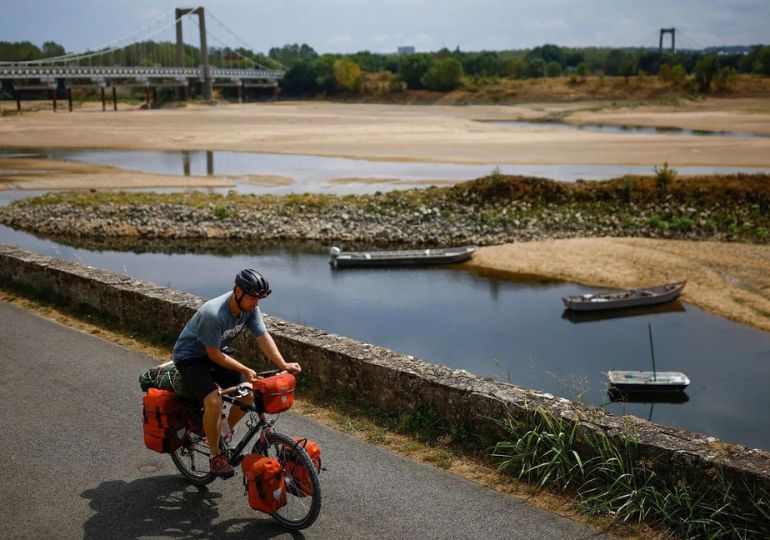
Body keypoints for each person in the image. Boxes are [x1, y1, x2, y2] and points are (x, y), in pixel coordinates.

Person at [172, 268, 301, 478]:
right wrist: (243, 368)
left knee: (249, 391)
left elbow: (263, 337)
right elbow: (212, 354)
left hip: (215, 353)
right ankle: (216, 456)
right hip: (191, 357)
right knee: (213, 401)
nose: (256, 303)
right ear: (238, 292)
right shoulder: (213, 314)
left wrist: (284, 364)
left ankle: (221, 433)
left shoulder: (250, 309)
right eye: (252, 297)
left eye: (259, 299)